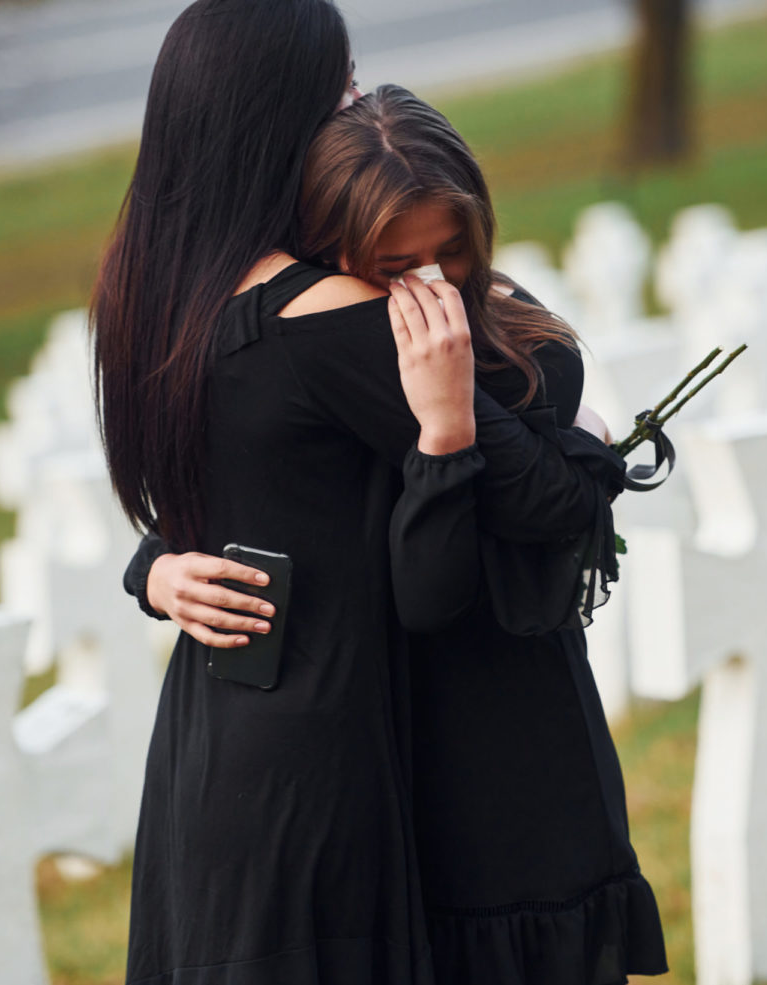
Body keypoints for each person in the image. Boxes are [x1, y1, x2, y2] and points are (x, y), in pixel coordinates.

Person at [95, 3, 628, 984]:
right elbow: (544, 484)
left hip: (216, 734)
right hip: (324, 759)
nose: (356, 106)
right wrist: (587, 435)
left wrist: (154, 564)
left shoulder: (158, 285)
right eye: (340, 87)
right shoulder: (332, 312)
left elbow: (225, 483)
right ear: (279, 113)